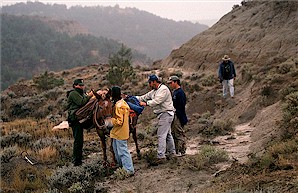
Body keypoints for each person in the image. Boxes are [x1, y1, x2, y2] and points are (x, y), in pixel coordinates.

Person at [137, 74, 176, 163]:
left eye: (150, 82)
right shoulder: (154, 91)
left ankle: (161, 156)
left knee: (161, 135)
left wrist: (146, 103)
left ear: (154, 82)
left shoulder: (163, 89)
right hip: (164, 114)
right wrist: (132, 98)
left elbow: (157, 101)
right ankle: (172, 153)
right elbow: (143, 97)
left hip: (166, 114)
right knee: (168, 135)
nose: (149, 85)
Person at [67, 79, 94, 166]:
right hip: (75, 119)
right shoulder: (73, 93)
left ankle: (78, 159)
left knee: (80, 140)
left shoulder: (80, 93)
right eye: (80, 85)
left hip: (81, 117)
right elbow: (81, 102)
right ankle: (77, 161)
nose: (82, 86)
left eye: (82, 85)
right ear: (75, 85)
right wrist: (89, 96)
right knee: (78, 141)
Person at [109, 86, 134, 175]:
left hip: (120, 132)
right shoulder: (122, 103)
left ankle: (129, 170)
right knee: (117, 151)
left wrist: (110, 121)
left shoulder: (119, 106)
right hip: (117, 132)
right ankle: (122, 167)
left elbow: (119, 121)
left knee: (122, 151)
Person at [167, 76, 188, 156]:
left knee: (179, 133)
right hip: (174, 115)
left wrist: (177, 112)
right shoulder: (175, 92)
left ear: (176, 82)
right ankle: (176, 151)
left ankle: (182, 151)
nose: (170, 85)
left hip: (178, 116)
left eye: (171, 83)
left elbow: (182, 105)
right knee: (174, 134)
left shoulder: (180, 92)